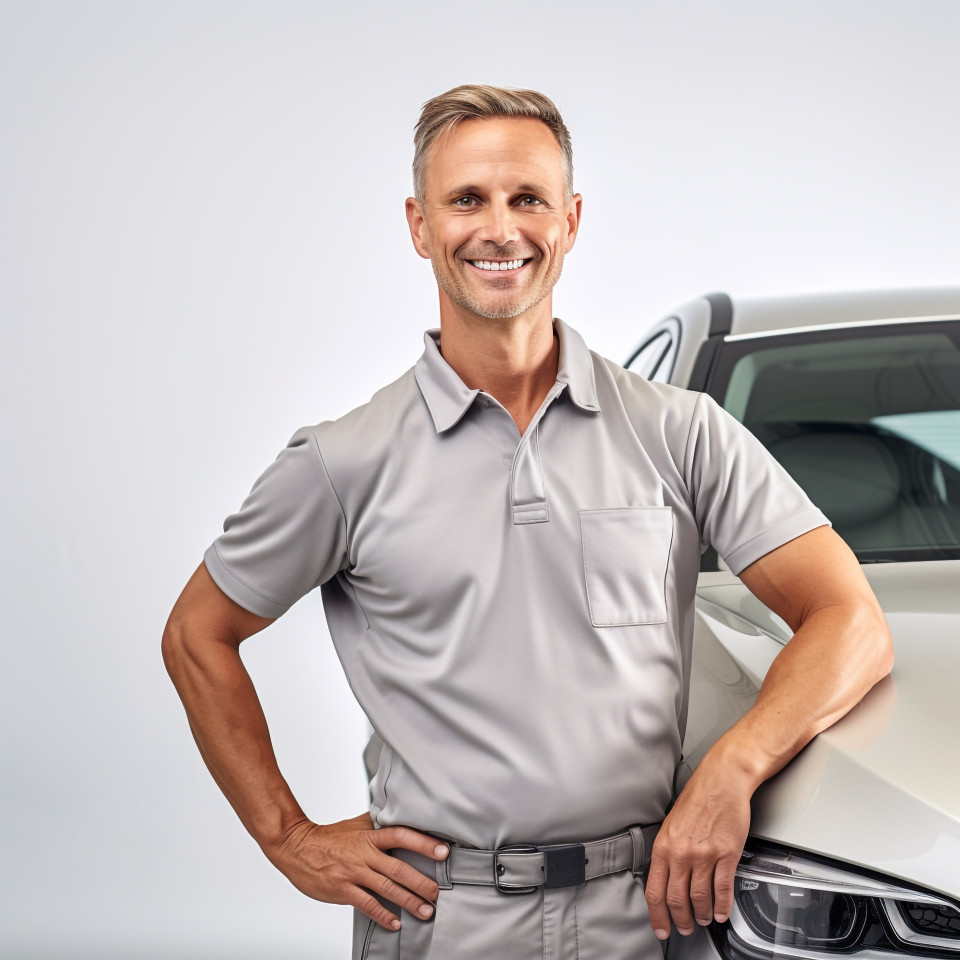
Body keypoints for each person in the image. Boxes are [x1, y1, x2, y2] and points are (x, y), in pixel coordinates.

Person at [162, 84, 893, 960]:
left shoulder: (679, 431)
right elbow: (197, 634)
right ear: (419, 225)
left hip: (650, 914)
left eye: (528, 199)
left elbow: (849, 618)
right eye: (467, 199)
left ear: (571, 220)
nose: (499, 229)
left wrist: (732, 771)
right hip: (443, 920)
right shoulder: (342, 461)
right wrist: (288, 837)